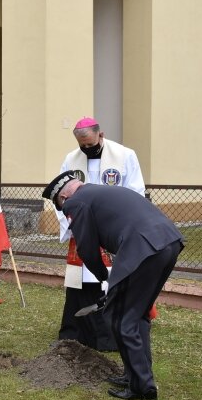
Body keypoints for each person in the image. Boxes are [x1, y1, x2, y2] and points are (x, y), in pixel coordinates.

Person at [44, 171, 183, 400]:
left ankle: (142, 387)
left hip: (142, 248)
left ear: (64, 196)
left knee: (120, 318)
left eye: (60, 204)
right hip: (168, 242)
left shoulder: (76, 202)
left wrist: (103, 277)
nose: (64, 209)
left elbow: (86, 246)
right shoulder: (100, 192)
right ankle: (136, 376)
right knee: (137, 315)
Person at [54, 117, 146, 351]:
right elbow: (61, 196)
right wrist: (74, 222)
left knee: (109, 281)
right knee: (81, 284)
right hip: (83, 229)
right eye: (82, 146)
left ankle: (108, 336)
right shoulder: (70, 160)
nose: (87, 149)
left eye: (91, 144)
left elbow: (135, 191)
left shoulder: (125, 155)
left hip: (111, 230)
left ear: (101, 135)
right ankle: (76, 332)